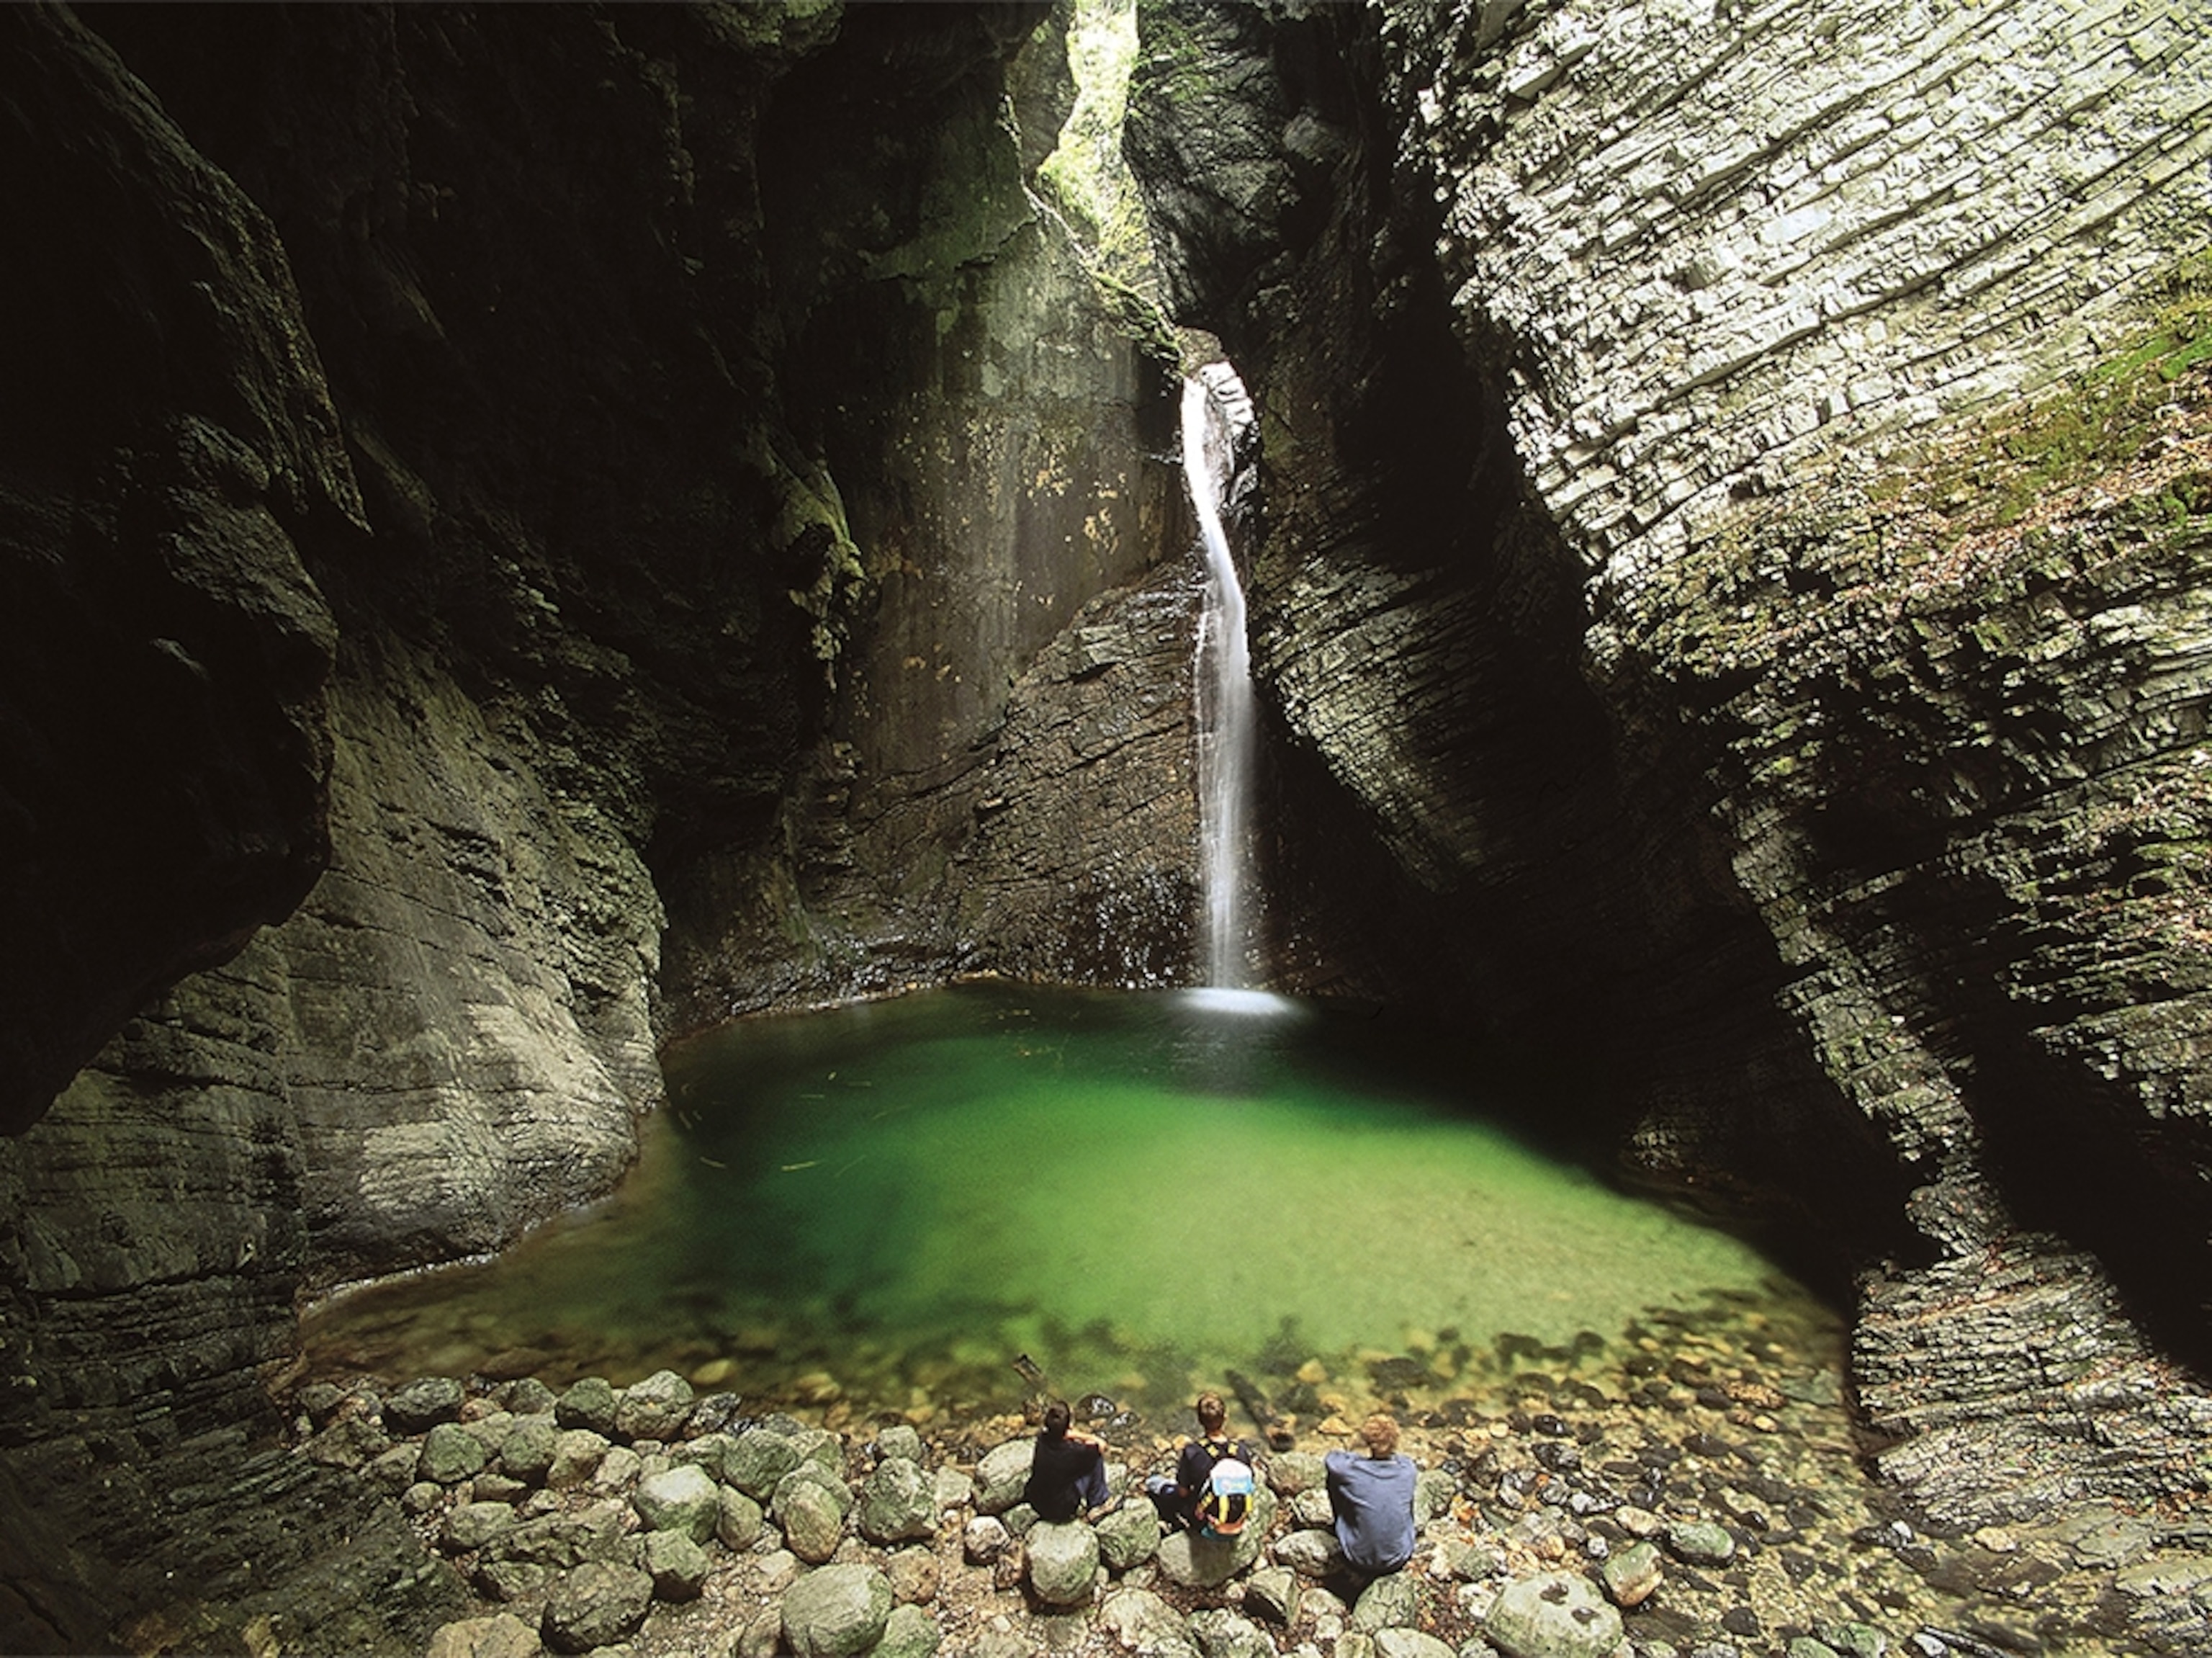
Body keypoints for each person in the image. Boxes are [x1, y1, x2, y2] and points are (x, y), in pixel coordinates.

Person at [1146, 1390, 1256, 1533]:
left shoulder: (1193, 1452)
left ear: (1199, 1421)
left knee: (1156, 1484)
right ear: (1225, 1418)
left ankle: (1174, 1523)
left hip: (1205, 1522)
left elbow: (1183, 1492)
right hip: (1237, 1521)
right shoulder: (1240, 1450)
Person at [1324, 1412, 1416, 1577]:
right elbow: (1402, 1460)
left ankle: (1347, 1524)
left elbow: (1332, 1458)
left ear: (1368, 1442)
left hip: (1356, 1558)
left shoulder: (1349, 1470)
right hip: (1398, 1557)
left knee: (1334, 1480)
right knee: (1402, 1494)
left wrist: (1355, 1447)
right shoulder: (1408, 1469)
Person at [1024, 1399, 1114, 1522]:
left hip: (1037, 1503)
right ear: (1068, 1427)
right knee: (1096, 1458)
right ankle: (1098, 1502)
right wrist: (1084, 1436)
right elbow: (1102, 1446)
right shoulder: (1074, 1451)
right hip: (1061, 1510)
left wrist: (1067, 1434)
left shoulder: (1042, 1439)